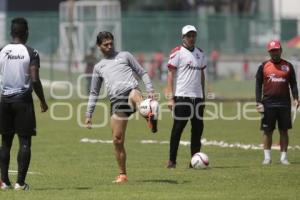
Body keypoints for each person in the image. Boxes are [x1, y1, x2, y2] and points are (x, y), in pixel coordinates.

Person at [85, 31, 157, 183]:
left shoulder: (125, 55)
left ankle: (149, 115)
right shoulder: (99, 67)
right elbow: (94, 92)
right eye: (106, 44)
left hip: (132, 91)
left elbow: (142, 72)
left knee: (135, 96)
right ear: (99, 46)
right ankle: (122, 175)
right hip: (117, 102)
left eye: (111, 43)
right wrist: (88, 114)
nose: (110, 46)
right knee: (117, 140)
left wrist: (150, 90)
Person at [0, 17, 48, 190]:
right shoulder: (31, 52)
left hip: (4, 101)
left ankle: (4, 182)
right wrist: (42, 100)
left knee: (5, 142)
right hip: (23, 102)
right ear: (26, 32)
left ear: (11, 32)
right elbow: (34, 80)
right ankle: (20, 182)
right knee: (25, 142)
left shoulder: (2, 50)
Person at [166, 25, 207, 168]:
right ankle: (172, 161)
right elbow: (170, 75)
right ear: (183, 37)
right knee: (177, 129)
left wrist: (203, 95)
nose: (191, 38)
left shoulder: (200, 53)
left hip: (197, 98)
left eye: (193, 35)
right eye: (188, 36)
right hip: (182, 97)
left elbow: (201, 75)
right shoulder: (177, 52)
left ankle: (194, 162)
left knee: (197, 130)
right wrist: (170, 98)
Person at [256, 40, 299, 165]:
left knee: (284, 131)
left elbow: (293, 84)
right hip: (268, 104)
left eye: (276, 50)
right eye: (272, 51)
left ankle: (283, 158)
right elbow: (258, 85)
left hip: (284, 104)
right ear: (269, 52)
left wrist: (296, 98)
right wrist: (258, 102)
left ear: (281, 50)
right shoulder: (263, 66)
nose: (274, 53)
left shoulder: (288, 66)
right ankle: (267, 158)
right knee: (267, 131)